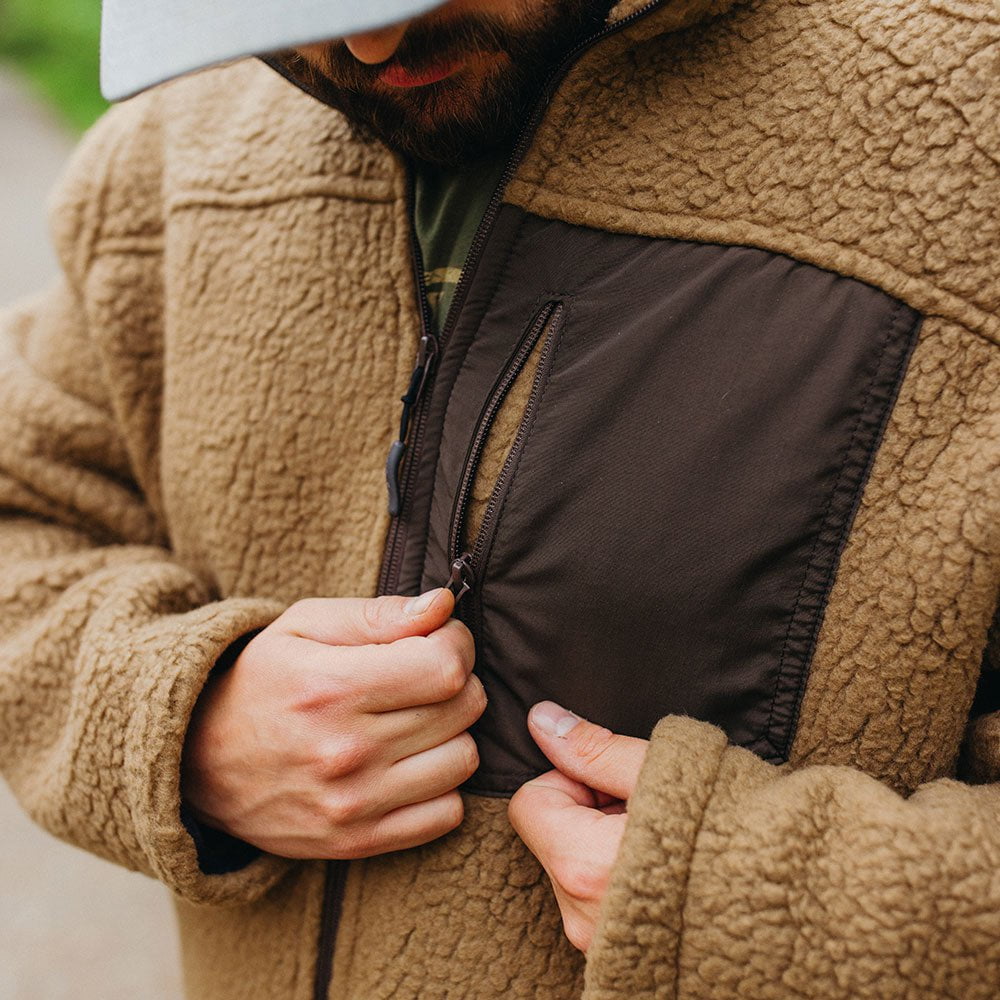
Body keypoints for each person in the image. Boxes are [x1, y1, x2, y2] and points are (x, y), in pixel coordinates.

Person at [1, 0, 997, 996]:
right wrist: (183, 723)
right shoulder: (188, 134)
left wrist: (773, 911)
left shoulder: (969, 121)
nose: (365, 47)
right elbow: (23, 511)